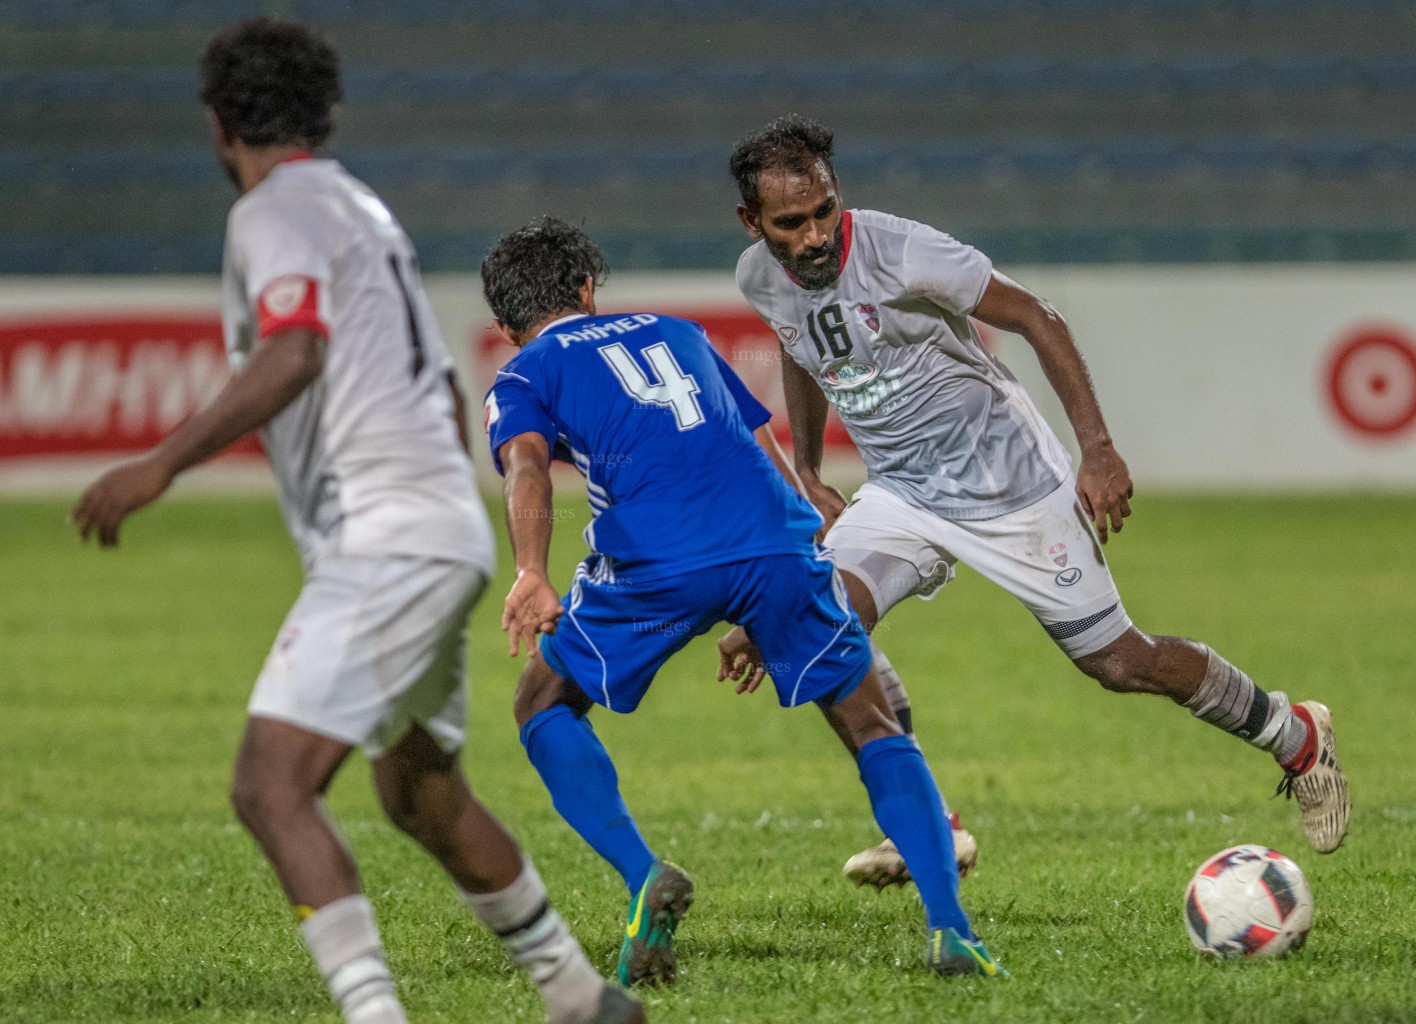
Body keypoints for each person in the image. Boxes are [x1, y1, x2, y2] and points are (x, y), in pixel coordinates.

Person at [69, 19, 640, 1024]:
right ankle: (581, 995)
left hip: (387, 538)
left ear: (217, 121)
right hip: (437, 526)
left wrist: (159, 465)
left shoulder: (274, 212)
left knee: (269, 785)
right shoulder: (360, 207)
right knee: (419, 791)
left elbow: (295, 351)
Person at [722, 115, 1350, 888]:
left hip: (1012, 485)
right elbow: (800, 347)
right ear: (754, 223)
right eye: (792, 222)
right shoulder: (759, 276)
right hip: (904, 493)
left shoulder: (906, 250)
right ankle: (927, 823)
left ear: (835, 192)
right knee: (825, 629)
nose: (815, 234)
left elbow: (1035, 317)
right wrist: (811, 470)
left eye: (824, 210)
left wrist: (1098, 448)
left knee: (1121, 662)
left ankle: (1295, 736)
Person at [480, 217, 1004, 982]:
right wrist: (788, 573)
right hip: (773, 541)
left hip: (658, 563)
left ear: (504, 324)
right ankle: (952, 931)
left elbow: (525, 467)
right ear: (588, 289)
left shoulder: (524, 372)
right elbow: (756, 444)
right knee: (869, 718)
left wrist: (531, 569)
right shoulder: (680, 333)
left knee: (542, 701)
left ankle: (642, 875)